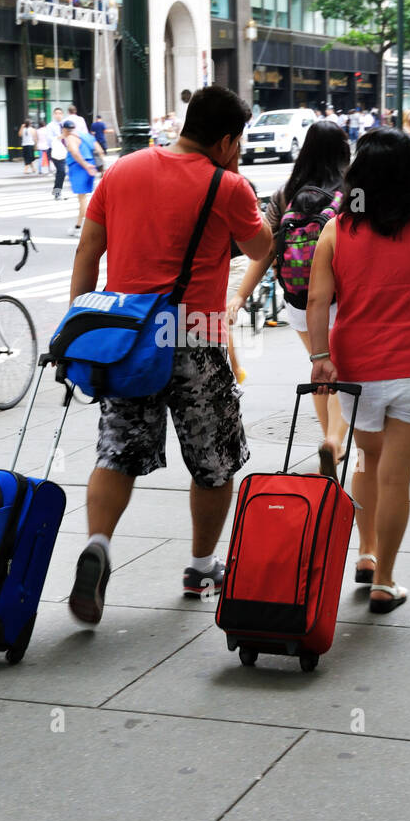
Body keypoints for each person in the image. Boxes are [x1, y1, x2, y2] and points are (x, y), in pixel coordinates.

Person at [67, 84, 272, 624]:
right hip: (196, 335)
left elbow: (88, 252)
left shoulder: (121, 171)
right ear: (228, 140)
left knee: (118, 451)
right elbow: (261, 248)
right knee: (213, 458)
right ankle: (202, 566)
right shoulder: (229, 185)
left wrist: (78, 329)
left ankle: (99, 545)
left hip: (126, 337)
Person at [307, 128, 410, 612]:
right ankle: (385, 580)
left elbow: (317, 300)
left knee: (367, 461)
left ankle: (365, 551)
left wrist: (320, 358)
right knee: (397, 476)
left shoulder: (337, 229)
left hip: (356, 367)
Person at [228, 119, 351, 469]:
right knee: (344, 370)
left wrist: (241, 295)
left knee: (319, 365)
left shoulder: (286, 193)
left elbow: (265, 250)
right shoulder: (351, 190)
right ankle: (334, 441)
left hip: (299, 302)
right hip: (344, 299)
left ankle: (328, 438)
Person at [63, 118, 105, 235]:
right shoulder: (87, 136)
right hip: (92, 166)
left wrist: (85, 165)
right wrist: (101, 168)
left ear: (65, 130)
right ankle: (78, 226)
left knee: (82, 199)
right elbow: (100, 151)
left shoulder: (70, 138)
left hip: (79, 168)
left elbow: (74, 152)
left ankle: (82, 228)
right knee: (85, 198)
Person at [49, 108, 68, 198]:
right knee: (61, 171)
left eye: (60, 113)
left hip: (66, 149)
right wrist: (60, 137)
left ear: (62, 114)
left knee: (61, 172)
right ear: (53, 115)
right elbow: (49, 139)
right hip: (55, 150)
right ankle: (57, 192)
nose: (58, 115)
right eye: (56, 113)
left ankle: (57, 191)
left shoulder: (66, 124)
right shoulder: (50, 126)